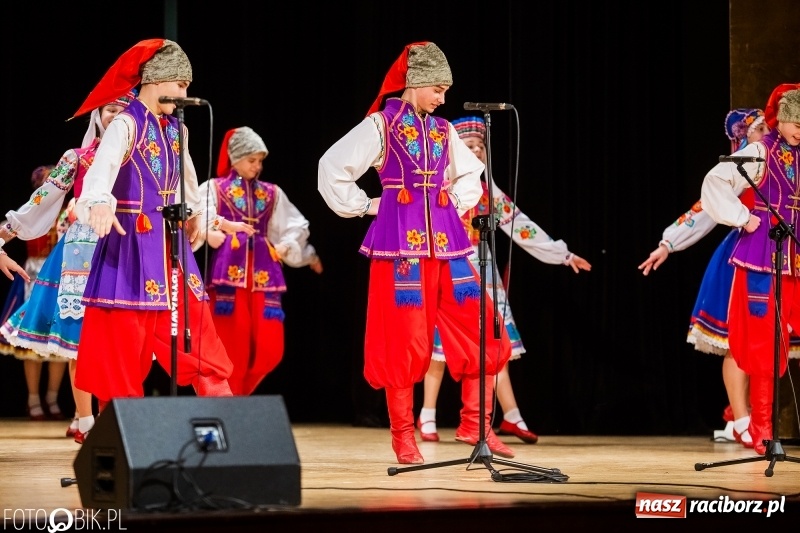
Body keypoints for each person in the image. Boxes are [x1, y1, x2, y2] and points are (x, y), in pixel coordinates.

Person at [318, 41, 514, 464]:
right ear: (415, 83)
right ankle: (403, 436)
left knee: (482, 324)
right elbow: (331, 169)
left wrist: (454, 204)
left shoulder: (443, 131)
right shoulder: (380, 127)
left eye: (445, 90)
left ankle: (474, 425)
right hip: (399, 249)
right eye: (438, 89)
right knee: (403, 340)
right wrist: (367, 206)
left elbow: (471, 175)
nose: (443, 99)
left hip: (450, 245)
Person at [70, 38, 234, 403]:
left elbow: (187, 180)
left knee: (198, 332)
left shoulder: (177, 129)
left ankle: (227, 419)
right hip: (129, 243)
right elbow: (102, 170)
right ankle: (124, 435)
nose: (185, 91)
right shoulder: (126, 124)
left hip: (169, 245)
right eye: (182, 84)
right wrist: (97, 202)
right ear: (158, 79)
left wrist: (193, 212)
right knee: (124, 344)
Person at [417, 116, 592, 445]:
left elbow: (521, 226)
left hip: (483, 272)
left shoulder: (488, 191)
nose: (478, 151)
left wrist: (562, 254)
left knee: (495, 348)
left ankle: (510, 416)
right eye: (470, 146)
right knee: (440, 349)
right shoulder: (438, 186)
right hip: (449, 268)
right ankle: (427, 414)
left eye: (481, 147)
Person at [0, 91, 134, 442]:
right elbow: (42, 199)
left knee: (121, 341)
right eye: (109, 110)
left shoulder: (140, 159)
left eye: (123, 110)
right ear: (98, 116)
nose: (115, 115)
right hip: (82, 252)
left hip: (127, 250)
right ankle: (87, 421)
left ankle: (113, 418)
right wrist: (6, 232)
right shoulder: (77, 157)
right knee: (80, 338)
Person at [638, 107, 770, 448]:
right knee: (736, 342)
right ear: (743, 137)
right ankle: (741, 420)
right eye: (758, 129)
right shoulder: (744, 167)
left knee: (766, 344)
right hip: (741, 257)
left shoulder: (781, 164)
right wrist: (668, 242)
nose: (765, 134)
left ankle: (755, 418)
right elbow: (703, 210)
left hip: (776, 256)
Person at [699, 86, 800, 455]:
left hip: (796, 257)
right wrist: (742, 217)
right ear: (780, 118)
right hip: (762, 255)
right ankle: (761, 427)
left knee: (781, 342)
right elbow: (715, 181)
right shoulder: (760, 151)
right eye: (794, 123)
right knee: (764, 341)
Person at [196, 126, 322, 395]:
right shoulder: (214, 189)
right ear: (235, 158)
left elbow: (296, 225)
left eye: (260, 161)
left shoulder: (271, 192)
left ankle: (239, 396)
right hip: (228, 278)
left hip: (264, 276)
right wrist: (208, 232)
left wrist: (290, 247)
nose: (258, 167)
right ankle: (229, 401)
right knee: (232, 343)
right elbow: (196, 217)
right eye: (252, 160)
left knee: (269, 348)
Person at [0, 165, 69, 422]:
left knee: (60, 341)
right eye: (47, 182)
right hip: (35, 275)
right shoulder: (27, 214)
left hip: (62, 276)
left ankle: (51, 398)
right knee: (32, 342)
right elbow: (7, 229)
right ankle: (33, 399)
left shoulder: (68, 214)